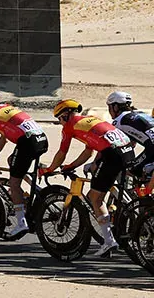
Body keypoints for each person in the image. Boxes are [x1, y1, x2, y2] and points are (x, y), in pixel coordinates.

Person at [42, 98, 132, 256]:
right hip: (126, 150)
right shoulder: (89, 121)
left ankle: (109, 241)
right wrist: (72, 166)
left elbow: (62, 153)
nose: (60, 123)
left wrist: (50, 169)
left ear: (65, 116)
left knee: (95, 198)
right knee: (100, 190)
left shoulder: (69, 127)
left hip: (111, 155)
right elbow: (88, 152)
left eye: (59, 119)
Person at [0, 89, 48, 238]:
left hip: (27, 143)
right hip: (41, 139)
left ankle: (21, 223)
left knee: (14, 184)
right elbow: (3, 139)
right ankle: (37, 190)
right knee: (11, 160)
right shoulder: (6, 108)